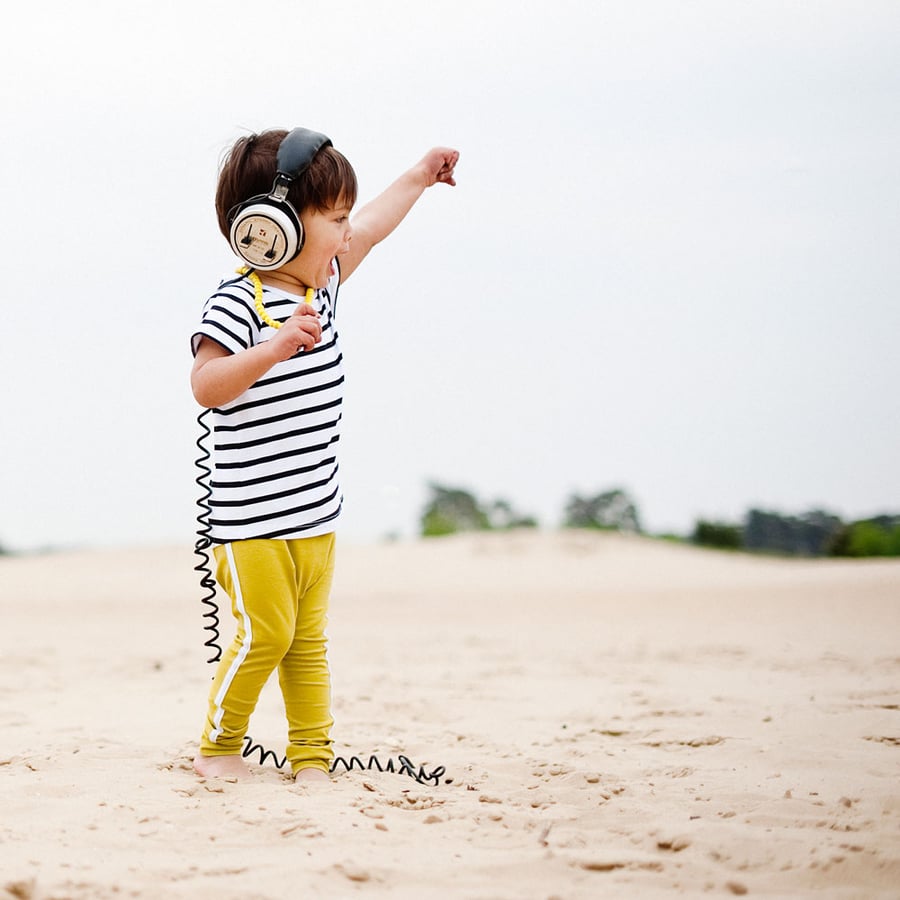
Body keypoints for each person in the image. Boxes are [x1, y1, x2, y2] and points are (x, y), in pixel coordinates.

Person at [190, 127, 459, 782]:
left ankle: (312, 758)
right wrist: (272, 349)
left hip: (314, 513)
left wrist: (420, 176)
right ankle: (219, 748)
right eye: (332, 219)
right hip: (248, 521)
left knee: (307, 642)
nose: (345, 234)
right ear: (270, 226)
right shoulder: (236, 303)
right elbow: (207, 387)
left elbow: (370, 228)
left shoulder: (324, 286)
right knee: (267, 635)